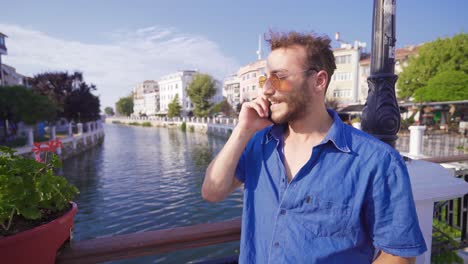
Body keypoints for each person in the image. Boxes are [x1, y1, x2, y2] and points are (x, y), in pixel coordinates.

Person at [202, 31, 426, 264]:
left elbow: (399, 255)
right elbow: (212, 192)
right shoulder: (259, 143)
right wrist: (242, 130)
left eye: (279, 77)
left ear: (319, 81)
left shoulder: (377, 161)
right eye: (264, 79)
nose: (267, 89)